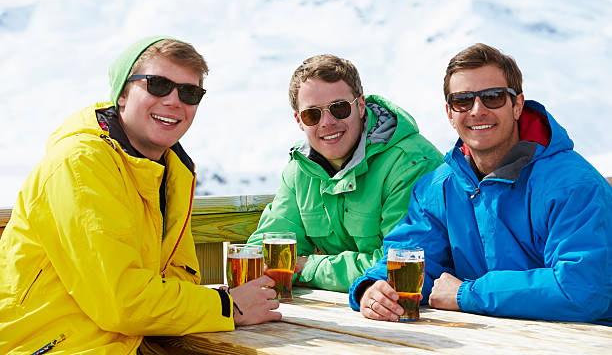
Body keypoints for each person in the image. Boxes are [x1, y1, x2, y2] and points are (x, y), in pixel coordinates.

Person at [0, 36, 280, 354]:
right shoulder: (82, 163)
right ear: (122, 94)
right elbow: (121, 302)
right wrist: (227, 306)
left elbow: (178, 279)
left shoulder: (169, 172)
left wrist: (215, 304)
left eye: (189, 93)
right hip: (52, 346)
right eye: (158, 85)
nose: (175, 101)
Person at [349, 43, 612, 325]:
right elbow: (415, 258)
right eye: (463, 100)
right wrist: (373, 289)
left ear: (517, 105)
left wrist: (467, 294)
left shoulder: (574, 185)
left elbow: (582, 289)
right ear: (450, 113)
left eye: (493, 97)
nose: (477, 110)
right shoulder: (438, 189)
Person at [247, 54, 443, 292]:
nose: (327, 122)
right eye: (312, 114)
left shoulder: (409, 162)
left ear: (360, 106)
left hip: (419, 308)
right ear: (300, 121)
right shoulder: (300, 170)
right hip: (345, 309)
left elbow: (398, 266)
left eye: (339, 108)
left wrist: (308, 267)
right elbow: (268, 252)